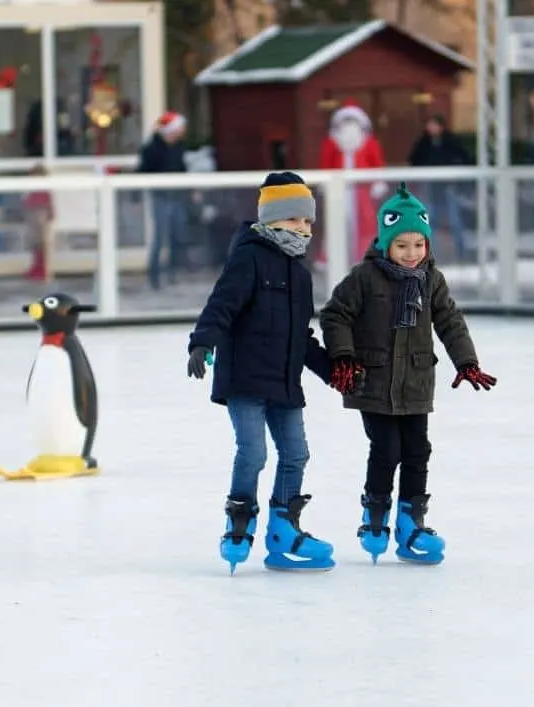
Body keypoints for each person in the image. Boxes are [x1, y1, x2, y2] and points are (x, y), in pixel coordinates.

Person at [319, 181, 497, 566]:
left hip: (415, 380)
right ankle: (376, 515)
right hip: (374, 381)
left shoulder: (431, 279)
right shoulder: (365, 277)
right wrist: (345, 357)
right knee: (386, 450)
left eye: (419, 244)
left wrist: (466, 361)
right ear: (386, 243)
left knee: (418, 450)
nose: (411, 253)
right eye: (402, 245)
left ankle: (411, 521)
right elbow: (335, 314)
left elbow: (450, 320)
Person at [186, 171, 335, 574]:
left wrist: (332, 372)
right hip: (246, 380)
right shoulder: (248, 257)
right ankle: (239, 520)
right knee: (253, 452)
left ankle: (283, 528)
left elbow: (302, 337)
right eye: (293, 220)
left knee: (296, 453)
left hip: (284, 382)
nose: (302, 229)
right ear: (270, 221)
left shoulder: (300, 275)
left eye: (307, 222)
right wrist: (202, 341)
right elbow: (222, 304)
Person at [317, 100, 388, 265]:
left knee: (366, 222)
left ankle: (366, 255)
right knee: (336, 221)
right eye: (346, 122)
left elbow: (377, 163)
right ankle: (331, 257)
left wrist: (378, 182)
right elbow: (325, 164)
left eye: (352, 122)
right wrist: (325, 183)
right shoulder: (331, 143)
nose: (349, 126)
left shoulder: (369, 142)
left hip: (361, 189)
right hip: (338, 188)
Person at [407, 114, 472, 261]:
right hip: (429, 187)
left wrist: (456, 175)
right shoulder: (423, 142)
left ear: (440, 126)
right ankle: (429, 253)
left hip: (448, 187)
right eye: (429, 125)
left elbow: (464, 157)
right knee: (429, 221)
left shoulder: (451, 141)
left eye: (433, 125)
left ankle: (461, 252)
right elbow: (414, 159)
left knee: (455, 220)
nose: (430, 128)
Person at [137, 111, 188, 290]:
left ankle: (172, 273)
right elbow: (143, 171)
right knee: (160, 237)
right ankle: (155, 275)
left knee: (177, 235)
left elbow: (182, 169)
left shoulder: (179, 147)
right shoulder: (152, 149)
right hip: (160, 197)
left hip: (177, 196)